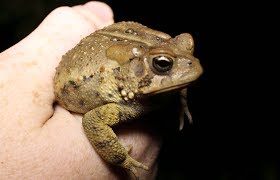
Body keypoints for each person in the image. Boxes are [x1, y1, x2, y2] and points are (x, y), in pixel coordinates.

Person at [0, 1, 160, 179]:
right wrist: (120, 158)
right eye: (163, 64)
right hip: (75, 82)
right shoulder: (116, 103)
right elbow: (93, 121)